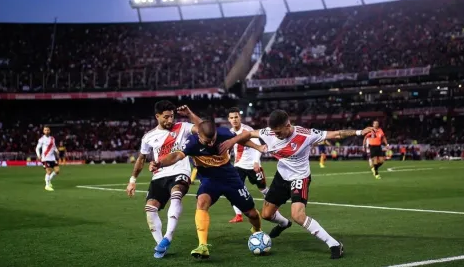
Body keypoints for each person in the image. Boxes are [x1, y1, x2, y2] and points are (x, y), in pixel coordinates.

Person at [241, 110, 374, 260]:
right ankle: (284, 224)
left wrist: (359, 132)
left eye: (278, 131)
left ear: (288, 125)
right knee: (266, 214)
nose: (276, 134)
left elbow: (335, 134)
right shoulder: (269, 132)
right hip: (281, 177)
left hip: (300, 178)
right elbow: (246, 135)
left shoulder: (306, 134)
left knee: (298, 215)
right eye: (274, 131)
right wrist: (242, 143)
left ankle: (334, 244)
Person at [149, 120, 266, 260]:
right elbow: (176, 155)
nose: (211, 144)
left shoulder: (223, 133)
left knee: (252, 214)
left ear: (216, 133)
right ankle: (202, 246)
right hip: (209, 180)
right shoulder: (191, 142)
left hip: (231, 178)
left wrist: (253, 146)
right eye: (207, 141)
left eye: (213, 140)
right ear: (199, 135)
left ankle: (258, 232)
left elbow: (244, 137)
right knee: (202, 202)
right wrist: (159, 163)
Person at [126, 101, 201, 259]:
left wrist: (190, 114)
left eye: (172, 116)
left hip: (180, 170)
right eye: (166, 117)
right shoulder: (149, 136)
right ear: (157, 116)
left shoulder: (183, 127)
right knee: (150, 209)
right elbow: (141, 159)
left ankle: (168, 236)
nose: (170, 120)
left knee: (176, 195)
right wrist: (132, 180)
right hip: (159, 175)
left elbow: (203, 129)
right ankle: (161, 244)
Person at [227, 107, 267, 223]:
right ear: (228, 119)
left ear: (240, 118)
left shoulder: (248, 130)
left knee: (263, 189)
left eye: (236, 117)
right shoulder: (230, 133)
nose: (234, 120)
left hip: (253, 166)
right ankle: (238, 215)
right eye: (232, 118)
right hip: (238, 166)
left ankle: (273, 205)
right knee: (234, 189)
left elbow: (259, 147)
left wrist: (256, 162)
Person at [36, 126, 60, 191]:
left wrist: (56, 150)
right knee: (48, 171)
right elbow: (37, 148)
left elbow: (54, 146)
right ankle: (47, 185)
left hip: (52, 158)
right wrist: (38, 155)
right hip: (45, 158)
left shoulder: (52, 138)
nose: (46, 131)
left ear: (49, 131)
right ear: (43, 131)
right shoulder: (41, 139)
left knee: (57, 171)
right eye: (45, 130)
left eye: (48, 130)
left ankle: (49, 181)